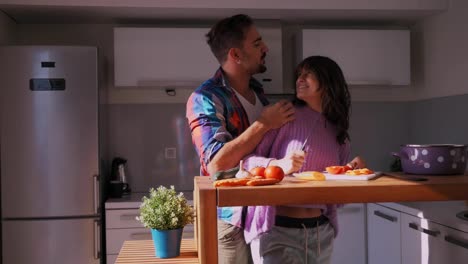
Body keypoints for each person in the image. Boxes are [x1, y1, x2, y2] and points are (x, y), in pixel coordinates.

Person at [186, 14, 295, 264]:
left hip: (265, 215)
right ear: (235, 55)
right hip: (230, 221)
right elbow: (216, 164)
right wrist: (264, 123)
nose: (265, 48)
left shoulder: (258, 92)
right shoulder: (205, 98)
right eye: (257, 44)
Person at [242, 55, 366, 264]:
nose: (300, 78)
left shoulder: (338, 132)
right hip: (278, 230)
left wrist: (352, 172)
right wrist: (278, 165)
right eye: (299, 74)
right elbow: (246, 162)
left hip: (321, 234)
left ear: (327, 82)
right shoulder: (284, 115)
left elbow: (338, 198)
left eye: (308, 74)